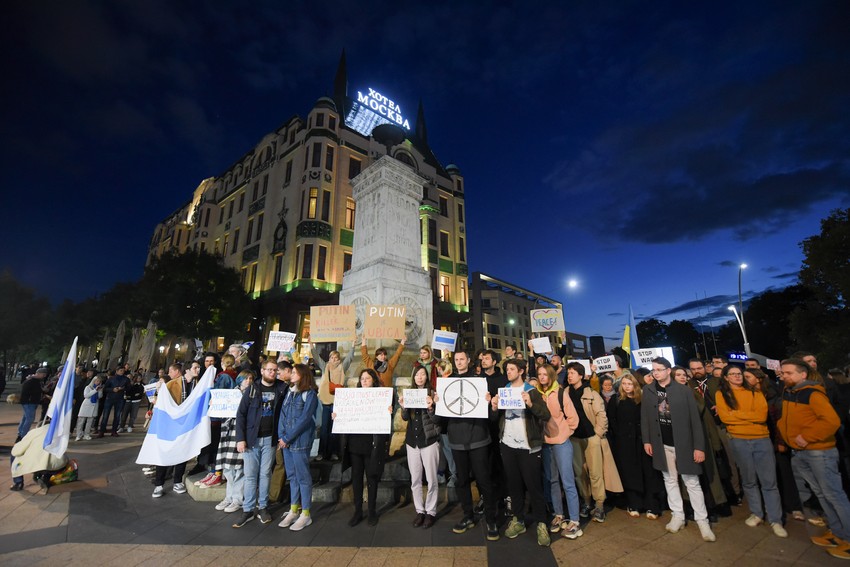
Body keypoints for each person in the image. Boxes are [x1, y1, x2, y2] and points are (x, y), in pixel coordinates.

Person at [778, 358, 850, 559]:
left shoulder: (813, 393)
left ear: (803, 374)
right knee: (822, 493)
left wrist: (806, 437)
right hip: (801, 453)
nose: (785, 376)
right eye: (783, 373)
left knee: (834, 495)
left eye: (789, 373)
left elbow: (832, 421)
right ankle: (838, 533)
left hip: (819, 452)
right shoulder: (790, 392)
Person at [641, 357, 716, 542]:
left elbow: (695, 421)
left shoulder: (683, 391)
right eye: (653, 370)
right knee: (670, 480)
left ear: (668, 371)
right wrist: (647, 440)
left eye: (659, 369)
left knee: (691, 482)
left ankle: (702, 520)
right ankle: (677, 516)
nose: (655, 373)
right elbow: (645, 418)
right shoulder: (649, 390)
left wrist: (699, 447)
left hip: (683, 444)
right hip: (662, 444)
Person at [715, 365, 787, 537]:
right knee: (749, 480)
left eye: (739, 374)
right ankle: (757, 513)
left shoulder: (756, 392)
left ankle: (775, 519)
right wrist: (747, 416)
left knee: (769, 481)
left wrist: (737, 415)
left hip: (761, 439)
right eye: (732, 374)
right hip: (739, 440)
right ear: (725, 377)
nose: (737, 376)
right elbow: (725, 417)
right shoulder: (721, 394)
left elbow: (761, 416)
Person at [491, 359, 551, 546]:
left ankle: (541, 522)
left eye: (511, 369)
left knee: (533, 486)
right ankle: (519, 519)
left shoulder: (531, 390)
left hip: (528, 447)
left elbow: (545, 415)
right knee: (514, 485)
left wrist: (530, 403)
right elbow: (496, 418)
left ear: (521, 371)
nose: (507, 372)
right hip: (508, 445)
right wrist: (493, 407)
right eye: (507, 369)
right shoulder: (504, 390)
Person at [442, 350, 499, 541]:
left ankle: (491, 519)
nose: (459, 362)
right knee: (462, 480)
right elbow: (442, 415)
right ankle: (468, 516)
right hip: (457, 440)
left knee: (484, 480)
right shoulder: (447, 382)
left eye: (462, 359)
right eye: (456, 359)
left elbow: (490, 414)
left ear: (468, 360)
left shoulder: (480, 380)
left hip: (478, 437)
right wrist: (435, 404)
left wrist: (491, 405)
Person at [565, 362, 622, 524]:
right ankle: (586, 501)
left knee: (596, 473)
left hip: (591, 438)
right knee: (580, 473)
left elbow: (601, 415)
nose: (570, 375)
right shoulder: (566, 392)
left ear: (581, 376)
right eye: (568, 373)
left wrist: (597, 434)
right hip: (574, 438)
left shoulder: (592, 393)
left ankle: (599, 505)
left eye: (573, 373)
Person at [233, 359, 287, 528]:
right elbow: (241, 414)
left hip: (270, 439)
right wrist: (240, 439)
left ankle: (263, 507)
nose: (273, 373)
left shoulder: (281, 388)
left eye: (275, 370)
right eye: (269, 370)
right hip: (252, 440)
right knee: (250, 476)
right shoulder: (252, 389)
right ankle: (248, 509)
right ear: (262, 371)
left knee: (265, 475)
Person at [337, 368, 391, 526]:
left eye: (367, 378)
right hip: (355, 444)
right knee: (357, 479)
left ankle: (372, 511)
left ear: (373, 380)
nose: (365, 381)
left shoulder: (381, 396)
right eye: (362, 379)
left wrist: (388, 412)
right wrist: (337, 416)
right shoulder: (352, 397)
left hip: (372, 445)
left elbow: (387, 418)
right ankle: (358, 511)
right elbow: (345, 414)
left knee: (372, 478)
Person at [535, 363, 582, 539]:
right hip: (546, 443)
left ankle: (575, 520)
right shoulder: (537, 394)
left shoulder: (561, 392)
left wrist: (565, 433)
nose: (541, 377)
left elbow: (573, 418)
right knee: (552, 480)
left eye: (544, 374)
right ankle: (559, 514)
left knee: (567, 481)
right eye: (539, 374)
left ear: (551, 376)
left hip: (561, 442)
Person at [613, 373, 664, 520]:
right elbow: (613, 420)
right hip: (625, 443)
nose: (627, 387)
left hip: (642, 441)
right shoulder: (617, 400)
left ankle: (651, 504)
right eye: (624, 384)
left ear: (635, 385)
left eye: (629, 384)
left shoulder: (642, 400)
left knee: (648, 472)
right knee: (630, 473)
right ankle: (634, 503)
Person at [276, 363, 319, 531]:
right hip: (286, 441)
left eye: (294, 372)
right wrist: (281, 437)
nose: (291, 374)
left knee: (303, 477)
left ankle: (306, 513)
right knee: (292, 476)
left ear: (302, 375)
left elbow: (305, 420)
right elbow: (282, 415)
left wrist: (286, 437)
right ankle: (294, 509)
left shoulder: (309, 395)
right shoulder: (289, 392)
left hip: (299, 442)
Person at [401, 366, 441, 528]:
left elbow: (438, 420)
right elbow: (405, 418)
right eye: (417, 374)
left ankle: (431, 511)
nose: (419, 377)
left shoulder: (433, 394)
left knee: (431, 479)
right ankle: (420, 510)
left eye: (422, 374)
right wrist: (403, 408)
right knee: (415, 479)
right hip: (412, 441)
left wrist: (431, 407)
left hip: (429, 440)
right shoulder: (409, 393)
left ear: (427, 377)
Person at [152, 363, 197, 498]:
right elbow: (161, 401)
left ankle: (177, 480)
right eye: (195, 368)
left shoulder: (198, 384)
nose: (198, 370)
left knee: (182, 453)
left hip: (187, 424)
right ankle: (159, 484)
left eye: (199, 368)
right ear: (187, 370)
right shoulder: (172, 384)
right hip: (171, 424)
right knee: (165, 453)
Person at [214, 370, 254, 514]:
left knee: (240, 469)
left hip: (241, 434)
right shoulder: (231, 394)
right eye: (245, 378)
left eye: (250, 378)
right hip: (227, 433)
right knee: (228, 468)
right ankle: (229, 496)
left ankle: (237, 499)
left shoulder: (252, 395)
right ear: (239, 380)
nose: (248, 381)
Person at [313, 343, 354, 462]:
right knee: (325, 428)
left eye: (336, 358)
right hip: (326, 400)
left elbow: (350, 358)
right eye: (332, 358)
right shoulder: (325, 366)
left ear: (339, 359)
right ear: (329, 358)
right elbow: (316, 357)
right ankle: (322, 453)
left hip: (337, 401)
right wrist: (311, 345)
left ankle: (334, 452)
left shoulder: (342, 366)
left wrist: (352, 345)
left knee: (334, 428)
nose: (334, 360)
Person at [97, 367, 130, 438]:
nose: (122, 372)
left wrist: (122, 388)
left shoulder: (126, 379)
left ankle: (114, 431)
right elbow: (105, 388)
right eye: (121, 370)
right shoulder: (111, 379)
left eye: (123, 371)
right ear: (117, 371)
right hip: (110, 398)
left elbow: (129, 388)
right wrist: (112, 389)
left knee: (117, 416)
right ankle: (102, 431)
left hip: (120, 399)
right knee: (105, 415)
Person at [17, 367, 47, 442]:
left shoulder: (34, 380)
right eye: (43, 374)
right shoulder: (32, 381)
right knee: (30, 418)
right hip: (29, 402)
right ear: (39, 374)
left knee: (26, 417)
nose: (44, 376)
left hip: (30, 402)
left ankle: (21, 432)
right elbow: (28, 391)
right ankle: (23, 435)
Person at [75, 375, 103, 441]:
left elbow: (100, 396)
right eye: (97, 381)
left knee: (89, 422)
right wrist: (95, 390)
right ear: (94, 381)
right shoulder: (88, 387)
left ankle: (86, 434)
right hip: (86, 405)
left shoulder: (99, 388)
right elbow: (86, 395)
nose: (98, 382)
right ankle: (78, 435)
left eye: (99, 381)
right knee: (81, 421)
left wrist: (100, 391)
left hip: (94, 405)